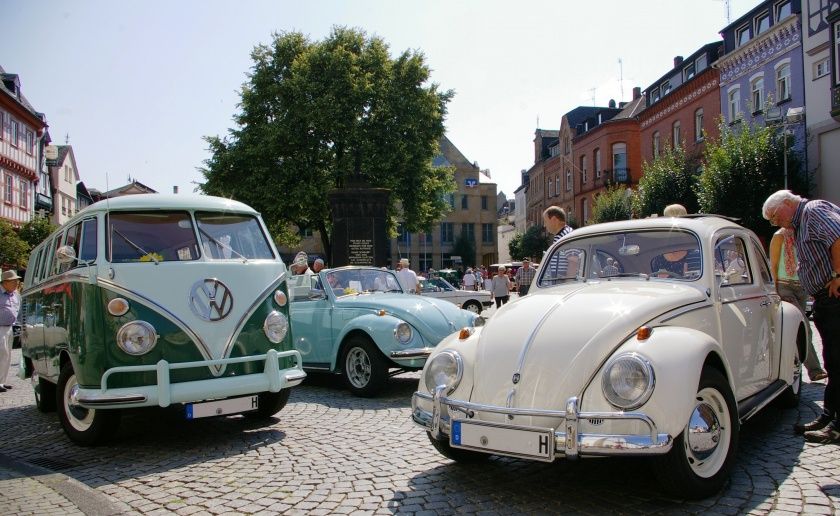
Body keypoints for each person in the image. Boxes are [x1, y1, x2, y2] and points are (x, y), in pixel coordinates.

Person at [763, 190, 840, 444]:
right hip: (824, 297)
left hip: (834, 296)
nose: (776, 222)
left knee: (838, 359)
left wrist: (838, 275)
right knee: (833, 359)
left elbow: (838, 237)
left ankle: (837, 425)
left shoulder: (814, 211)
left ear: (787, 204)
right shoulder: (802, 222)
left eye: (775, 216)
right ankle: (829, 415)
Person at [769, 227, 828, 382]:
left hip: (801, 287)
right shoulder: (779, 236)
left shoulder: (804, 236)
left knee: (798, 329)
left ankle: (792, 367)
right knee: (805, 327)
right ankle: (814, 370)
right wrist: (775, 291)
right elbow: (773, 265)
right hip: (785, 286)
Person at [543, 206, 578, 279]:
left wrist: (567, 287)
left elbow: (573, 262)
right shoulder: (562, 235)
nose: (544, 225)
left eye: (545, 221)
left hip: (563, 285)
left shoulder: (566, 236)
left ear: (554, 219)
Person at [0, 270, 21, 392]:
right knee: (1, 353)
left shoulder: (16, 294)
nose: (16, 283)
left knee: (7, 355)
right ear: (5, 282)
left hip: (10, 328)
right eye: (14, 281)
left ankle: (2, 381)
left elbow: (18, 310)